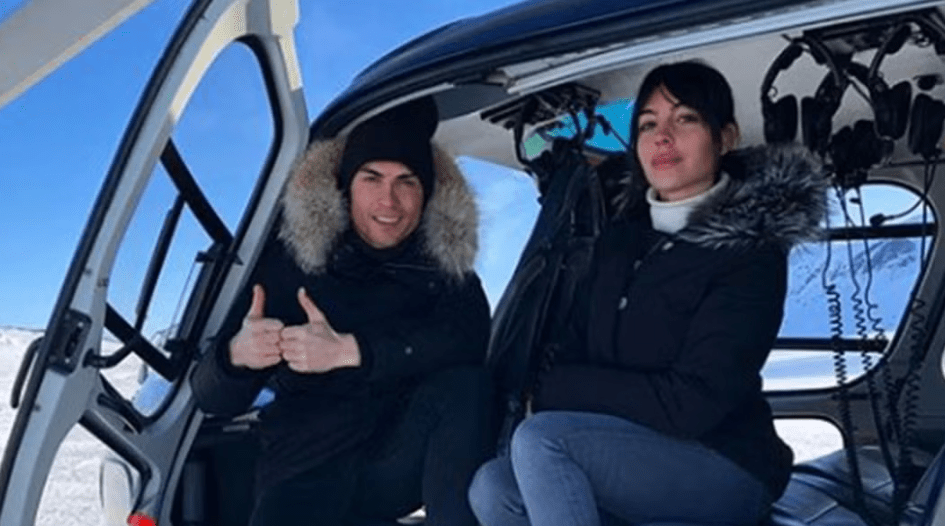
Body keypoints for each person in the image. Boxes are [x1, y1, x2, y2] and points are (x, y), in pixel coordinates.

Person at [468, 61, 829, 526]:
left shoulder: (749, 253)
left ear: (725, 137)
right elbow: (567, 348)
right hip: (623, 450)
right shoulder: (619, 243)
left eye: (685, 119)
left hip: (725, 463)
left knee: (544, 441)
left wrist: (559, 389)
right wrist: (564, 387)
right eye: (647, 124)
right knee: (493, 486)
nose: (662, 137)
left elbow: (691, 404)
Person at [190, 96, 495, 526]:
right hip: (303, 466)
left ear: (425, 193)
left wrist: (353, 351)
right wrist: (237, 357)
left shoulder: (446, 272)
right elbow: (212, 397)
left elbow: (468, 341)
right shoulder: (292, 262)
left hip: (392, 464)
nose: (388, 200)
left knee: (468, 388)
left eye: (406, 181)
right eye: (372, 178)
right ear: (346, 186)